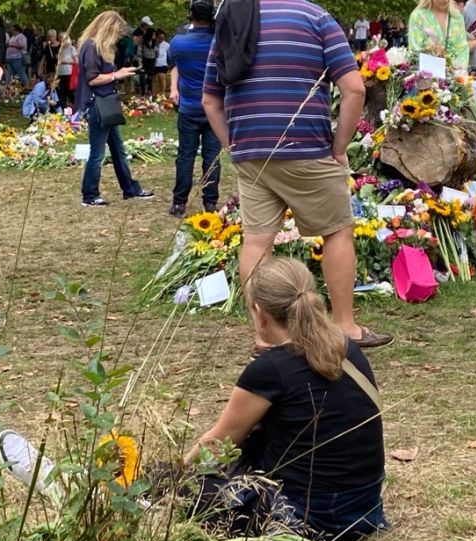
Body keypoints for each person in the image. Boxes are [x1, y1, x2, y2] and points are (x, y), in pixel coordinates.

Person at [202, 0, 393, 351]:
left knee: (257, 242)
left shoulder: (231, 16)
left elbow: (210, 100)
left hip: (250, 150)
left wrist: (233, 145)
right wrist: (339, 148)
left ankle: (266, 336)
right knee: (337, 232)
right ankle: (345, 327)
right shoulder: (316, 17)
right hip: (307, 147)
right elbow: (354, 89)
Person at [183, 257, 388, 541]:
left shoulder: (270, 369)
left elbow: (217, 443)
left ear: (260, 313)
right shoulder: (348, 349)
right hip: (364, 506)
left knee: (182, 487)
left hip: (309, 517)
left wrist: (177, 476)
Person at [75, 11, 154, 207]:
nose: (119, 37)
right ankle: (90, 194)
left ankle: (130, 189)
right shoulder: (91, 47)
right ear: (108, 29)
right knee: (98, 152)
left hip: (106, 104)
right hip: (98, 105)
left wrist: (120, 73)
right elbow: (93, 78)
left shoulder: (100, 48)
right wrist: (116, 75)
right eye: (117, 32)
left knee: (118, 149)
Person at [168, 0, 221, 217]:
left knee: (186, 156)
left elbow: (173, 64)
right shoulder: (219, 43)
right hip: (214, 108)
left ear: (191, 15)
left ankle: (179, 203)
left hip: (189, 107)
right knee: (212, 157)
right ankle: (210, 202)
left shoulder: (178, 43)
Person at [407, 0, 470, 71]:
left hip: (455, 76)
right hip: (427, 75)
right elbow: (415, 50)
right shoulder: (418, 16)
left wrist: (457, 73)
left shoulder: (457, 17)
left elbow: (463, 50)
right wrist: (431, 50)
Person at [57, 33, 77, 108]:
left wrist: (65, 61)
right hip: (61, 72)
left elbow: (76, 61)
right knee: (62, 91)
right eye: (59, 38)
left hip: (69, 72)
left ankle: (75, 105)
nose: (60, 39)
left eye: (62, 38)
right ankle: (63, 106)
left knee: (69, 90)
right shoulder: (61, 49)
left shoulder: (72, 48)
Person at [152, 30, 171, 96]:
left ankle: (162, 93)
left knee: (162, 78)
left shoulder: (167, 45)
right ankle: (154, 94)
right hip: (154, 64)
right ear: (156, 37)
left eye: (163, 38)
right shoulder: (153, 43)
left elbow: (169, 55)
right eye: (160, 38)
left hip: (163, 64)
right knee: (154, 80)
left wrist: (170, 63)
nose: (162, 39)